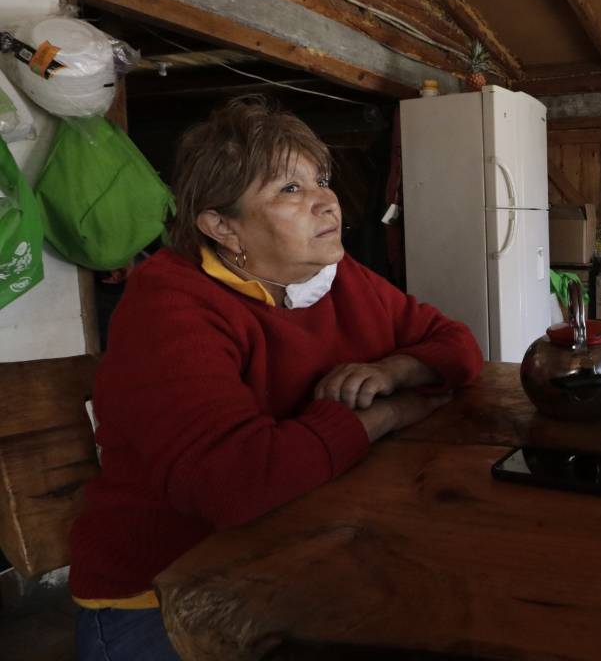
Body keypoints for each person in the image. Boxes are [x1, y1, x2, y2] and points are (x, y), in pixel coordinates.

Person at [69, 96, 483, 660]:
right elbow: (235, 483)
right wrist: (390, 412)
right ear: (222, 226)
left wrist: (396, 369)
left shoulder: (339, 276)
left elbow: (457, 346)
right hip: (167, 593)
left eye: (322, 179)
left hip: (296, 557)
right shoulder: (171, 304)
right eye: (290, 189)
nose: (327, 201)